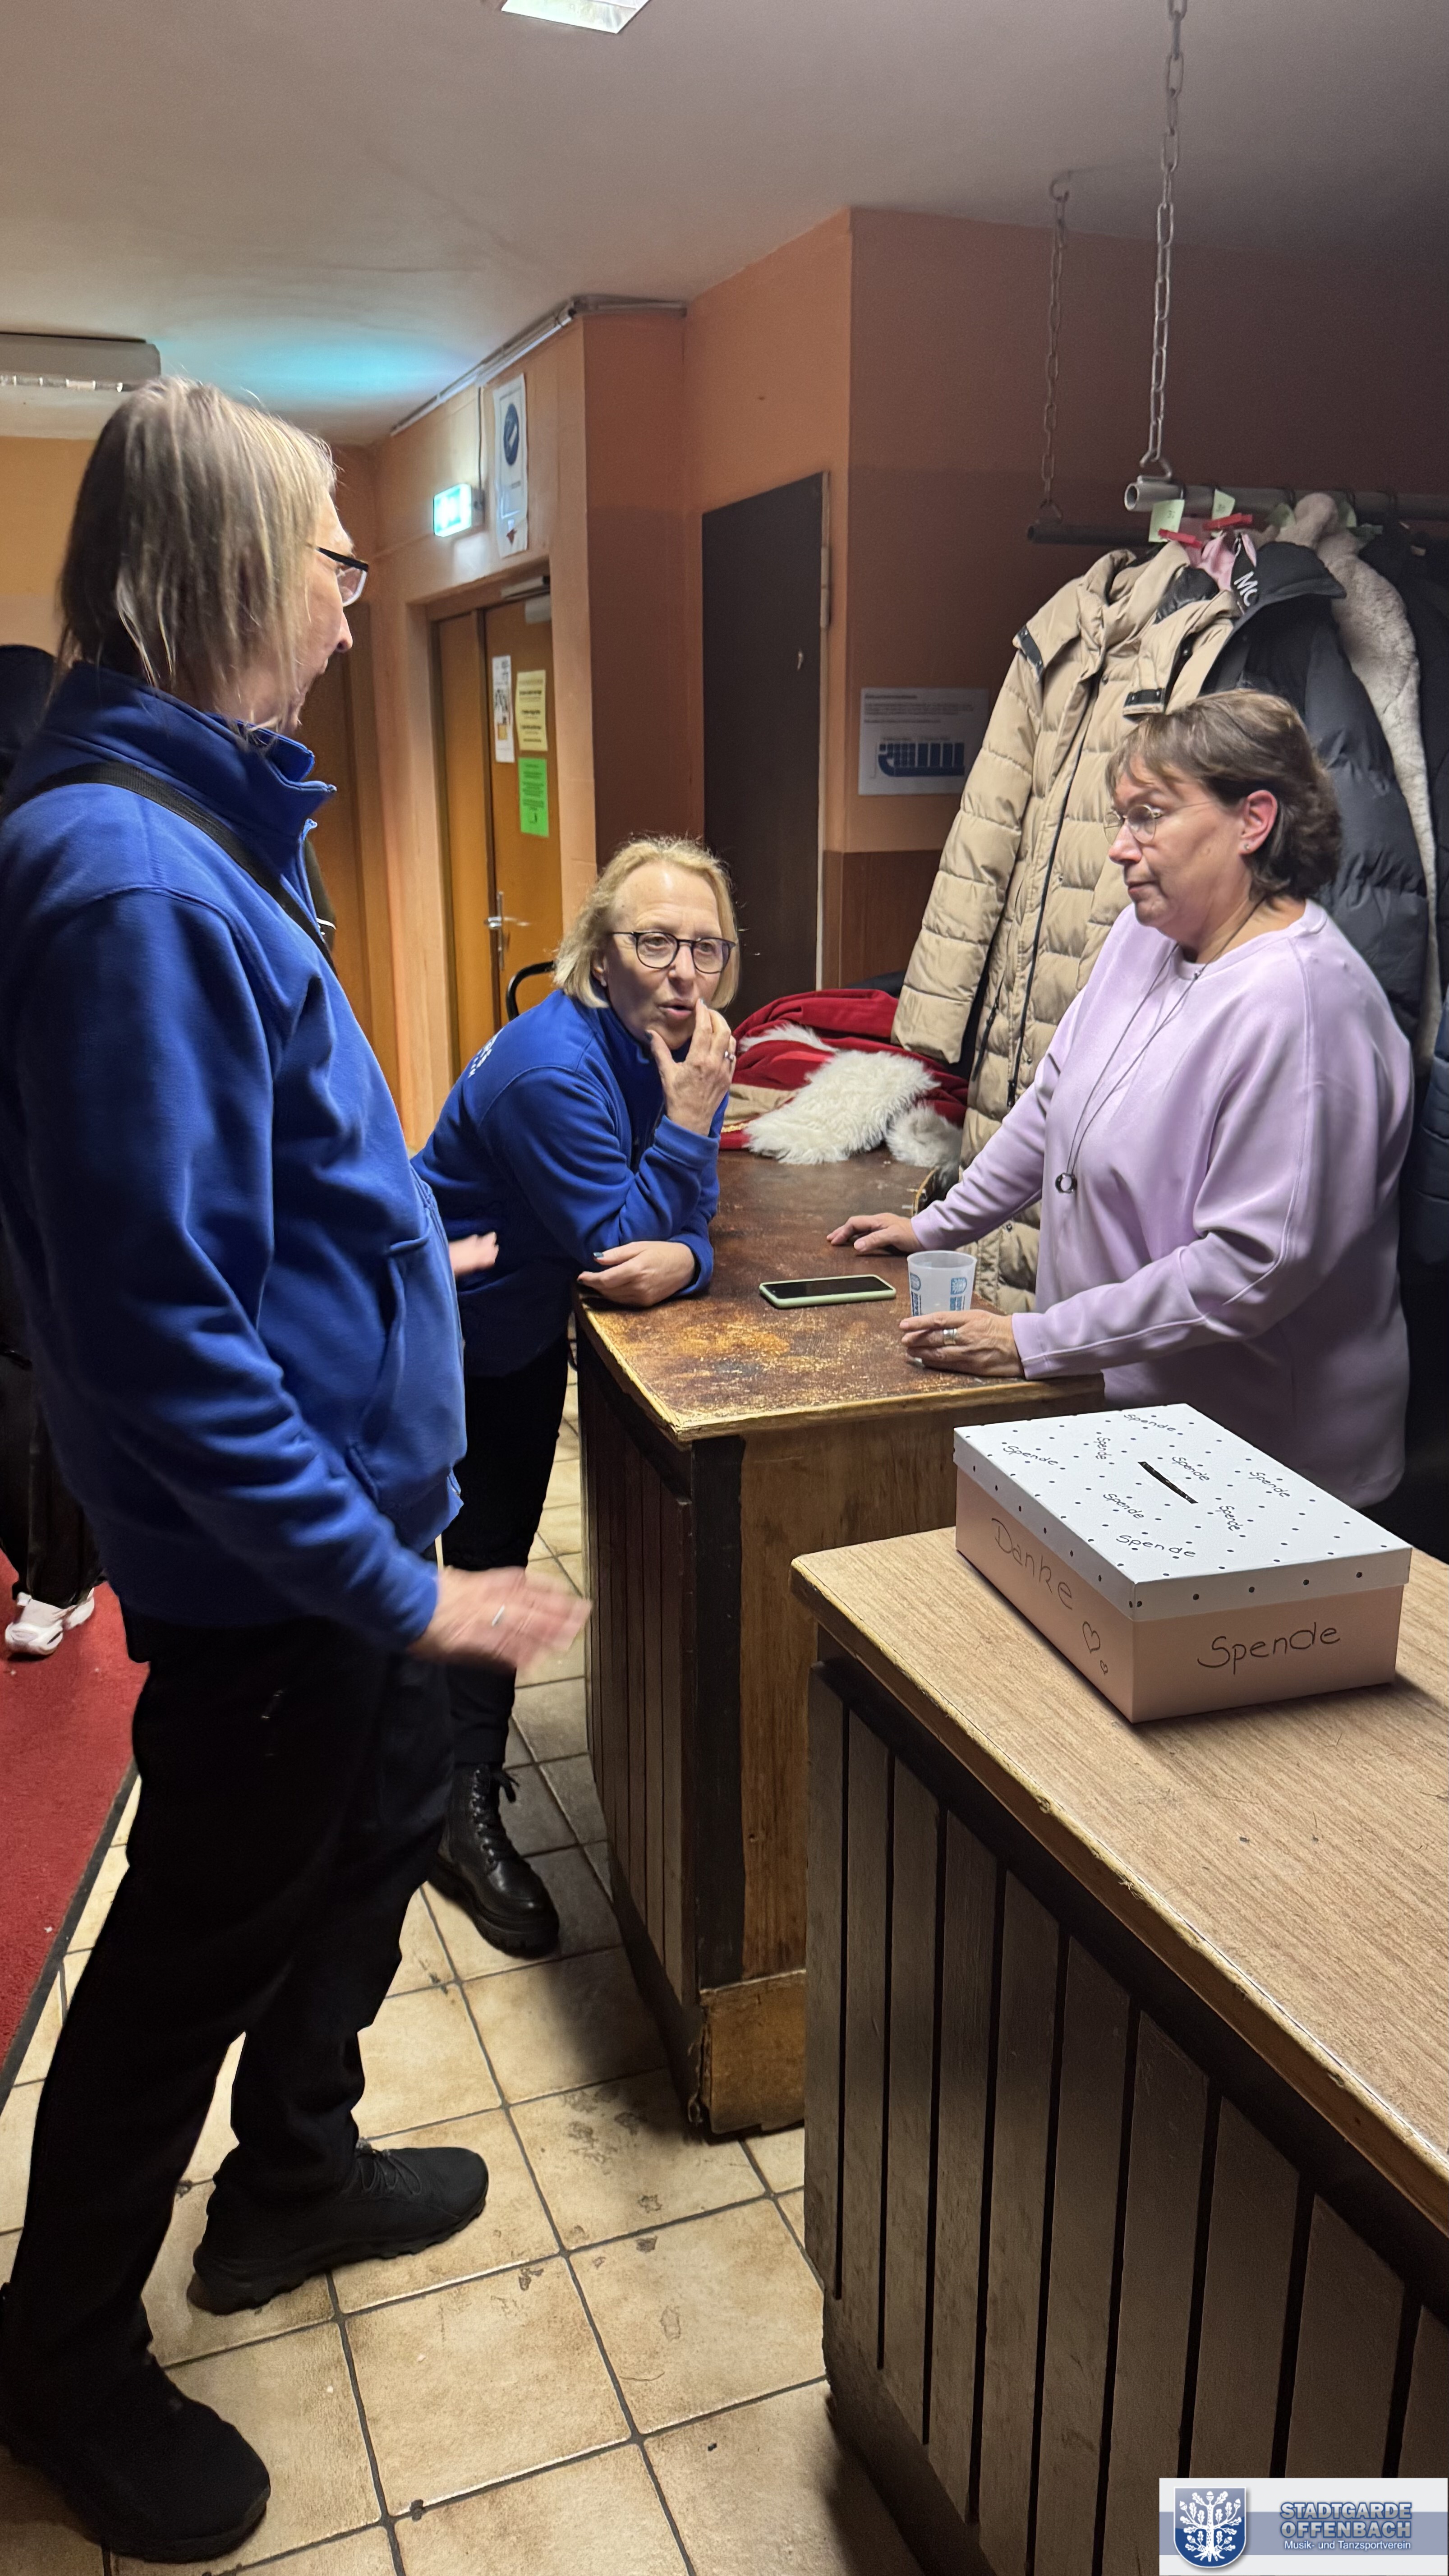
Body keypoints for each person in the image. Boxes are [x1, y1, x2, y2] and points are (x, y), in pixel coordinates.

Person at [0, 379, 586, 2563]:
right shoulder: (123, 878)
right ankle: (58, 2359)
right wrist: (401, 1582)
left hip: (342, 1548)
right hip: (283, 1576)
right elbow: (158, 1331)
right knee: (192, 1951)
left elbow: (251, 1182)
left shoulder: (207, 825)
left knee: (372, 1839)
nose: (355, 603)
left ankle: (298, 2179)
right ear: (237, 573)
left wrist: (395, 1255)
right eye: (339, 560)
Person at [830, 692, 1413, 1508]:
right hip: (1128, 1411)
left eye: (1149, 816)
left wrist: (1036, 1341)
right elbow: (1055, 1102)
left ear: (1252, 820)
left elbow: (1247, 1269)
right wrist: (939, 1224)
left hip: (1263, 1463)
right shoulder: (1148, 935)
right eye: (1121, 817)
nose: (1118, 847)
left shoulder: (1306, 1007)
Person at [414, 837, 736, 1951]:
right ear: (601, 959)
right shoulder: (552, 1071)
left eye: (706, 947)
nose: (684, 972)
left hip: (513, 1323)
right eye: (655, 943)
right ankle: (443, 1810)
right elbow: (616, 1249)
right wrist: (686, 1136)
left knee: (487, 1554)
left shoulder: (678, 1047)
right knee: (465, 1562)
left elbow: (682, 1225)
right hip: (441, 1336)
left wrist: (688, 1254)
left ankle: (443, 1783)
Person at [0, 648, 105, 1654]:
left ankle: (55, 1571)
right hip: (54, 1144)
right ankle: (58, 1574)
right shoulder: (72, 834)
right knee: (44, 1355)